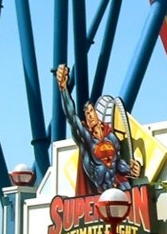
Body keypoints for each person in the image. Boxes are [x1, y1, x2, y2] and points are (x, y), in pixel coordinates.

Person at [56, 64, 141, 192]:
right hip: (99, 192)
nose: (90, 116)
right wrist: (64, 90)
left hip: (119, 189)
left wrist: (132, 170)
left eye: (91, 112)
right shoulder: (87, 139)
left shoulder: (111, 137)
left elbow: (118, 163)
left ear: (97, 114)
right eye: (87, 114)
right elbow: (72, 117)